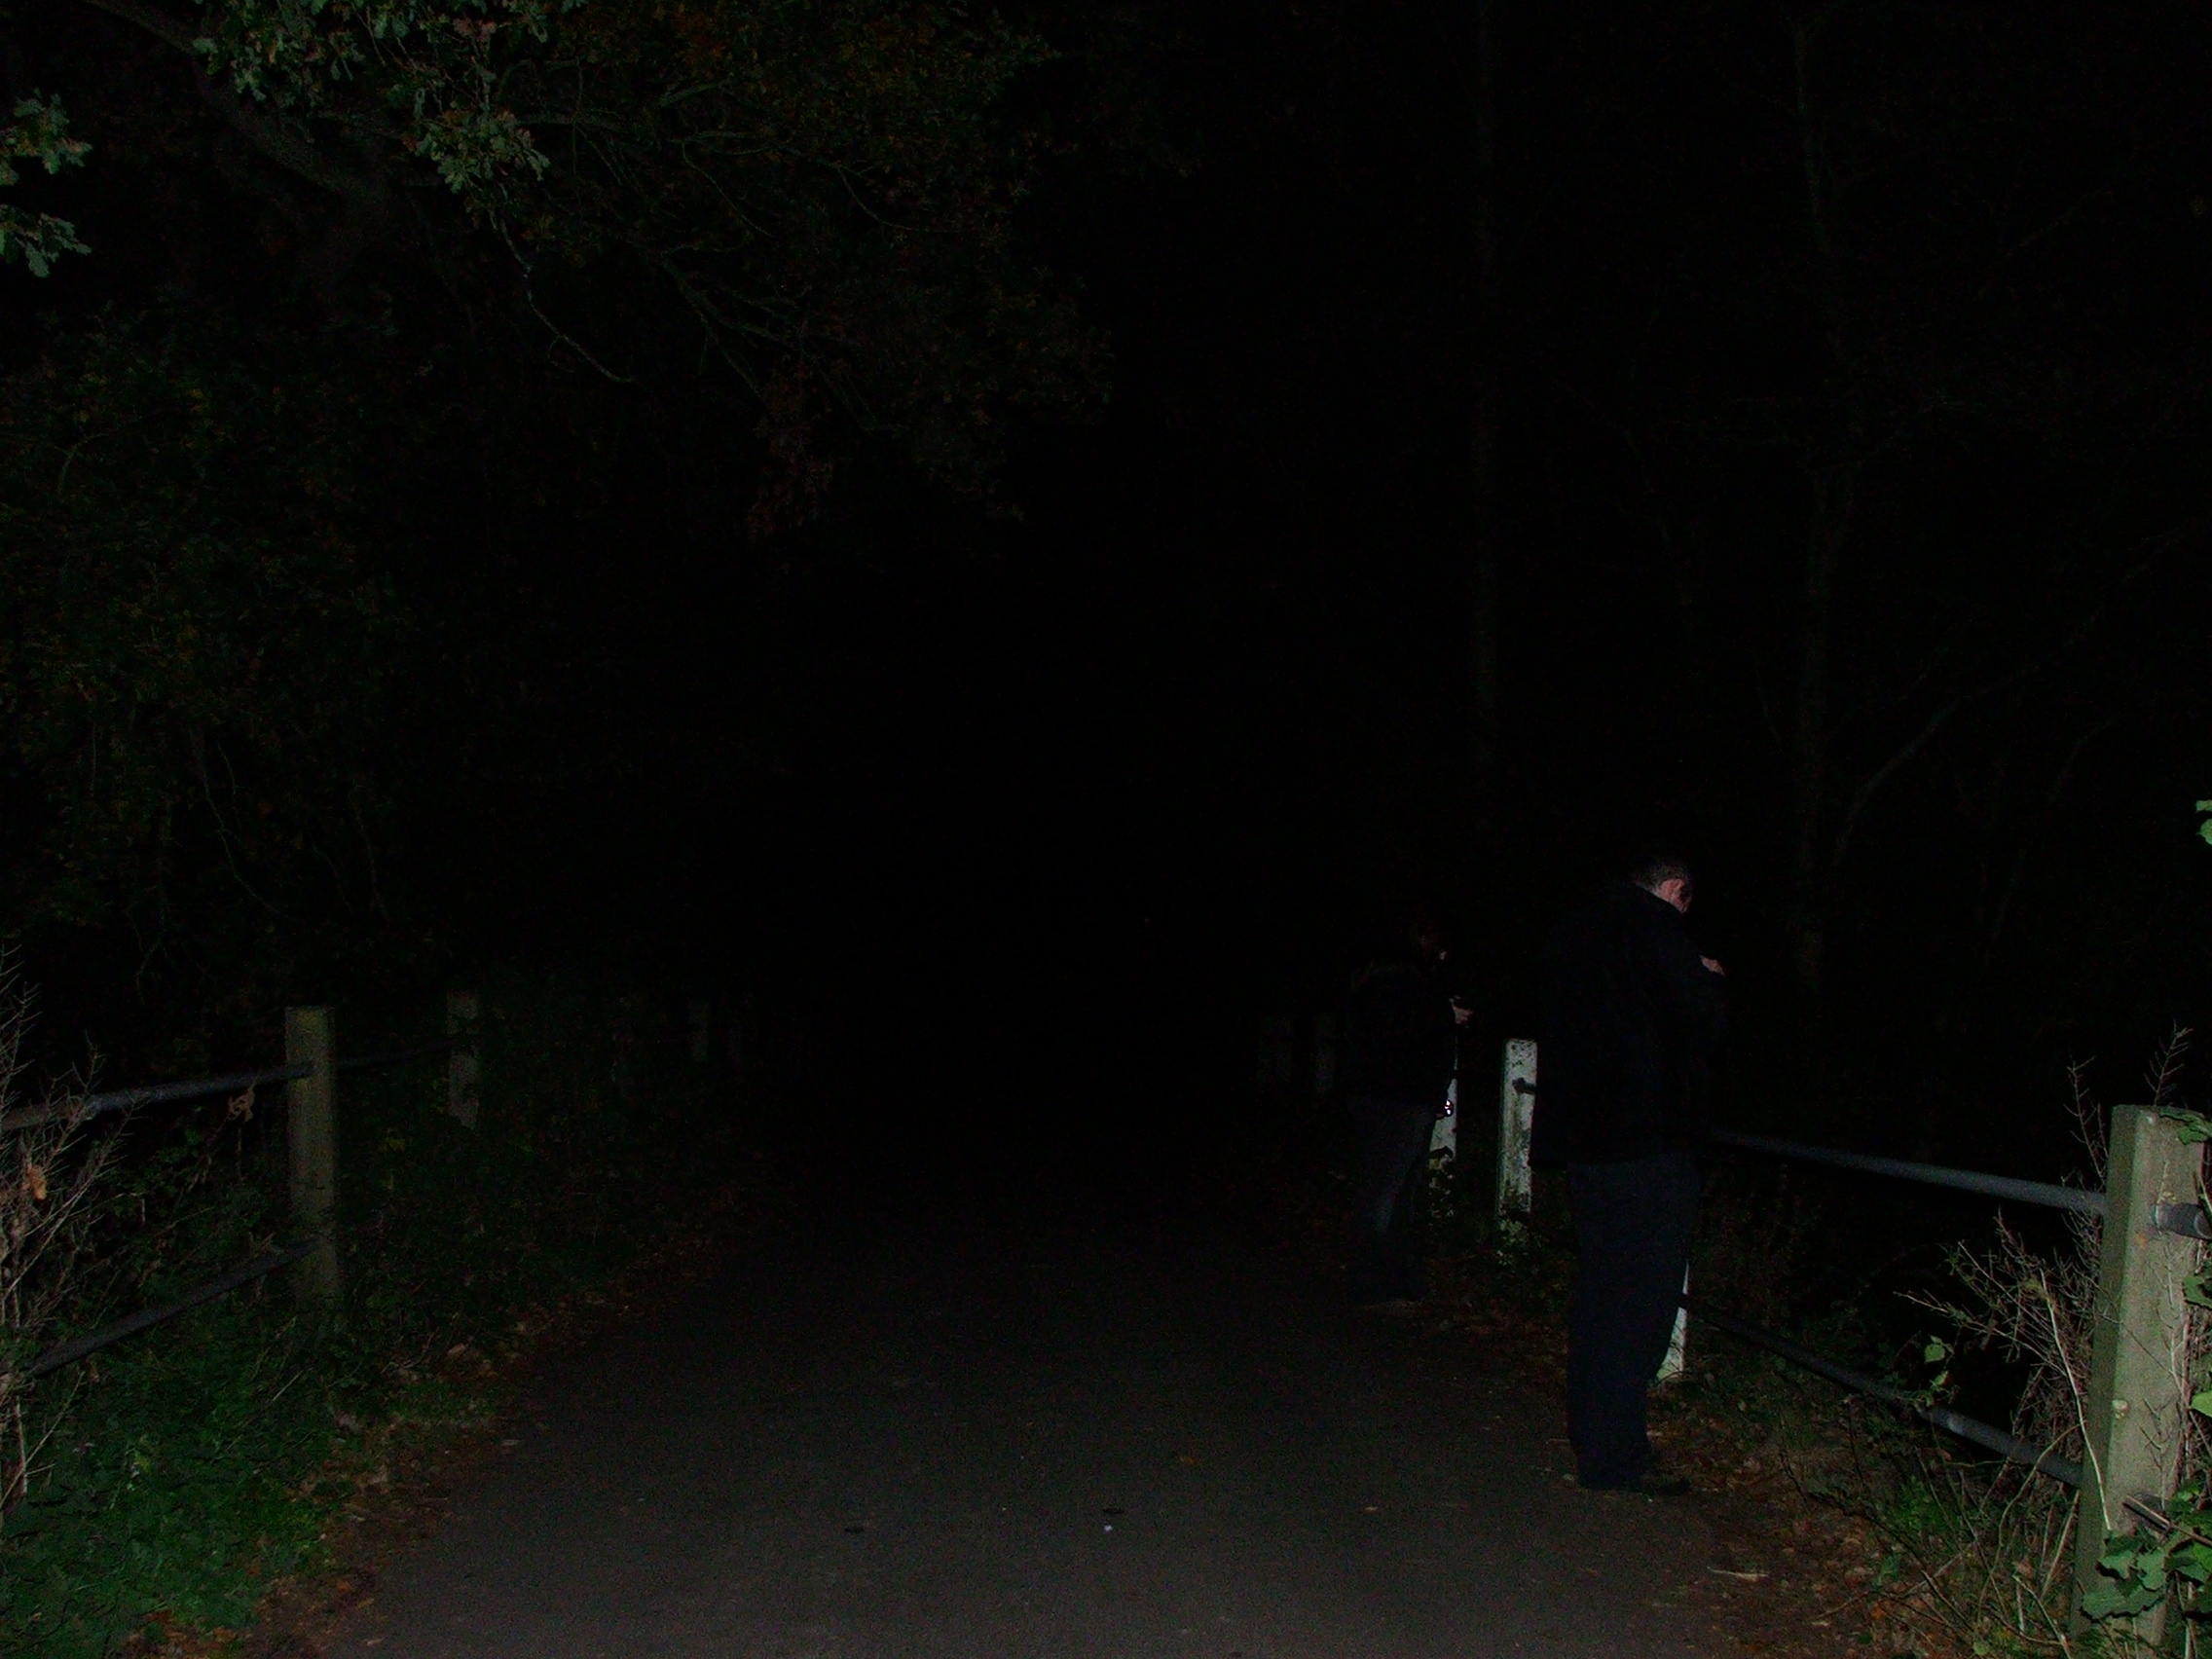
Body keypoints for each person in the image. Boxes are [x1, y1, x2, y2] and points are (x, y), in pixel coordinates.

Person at [1532, 853, 1728, 1494]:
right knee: (1640, 1303)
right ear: (1676, 890)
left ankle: (1595, 1435)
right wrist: (1708, 979)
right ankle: (1615, 1456)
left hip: (1586, 1144)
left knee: (1600, 1292)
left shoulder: (1574, 931)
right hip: (1648, 1143)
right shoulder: (1655, 932)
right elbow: (1700, 1025)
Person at [1341, 906, 1469, 1308]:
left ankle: (1396, 1277)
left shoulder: (1383, 975)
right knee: (1387, 1189)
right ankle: (1372, 1280)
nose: (1445, 957)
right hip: (1397, 1096)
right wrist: (1442, 1016)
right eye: (1442, 948)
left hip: (1388, 1094)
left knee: (1395, 1189)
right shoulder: (1401, 978)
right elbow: (1398, 1034)